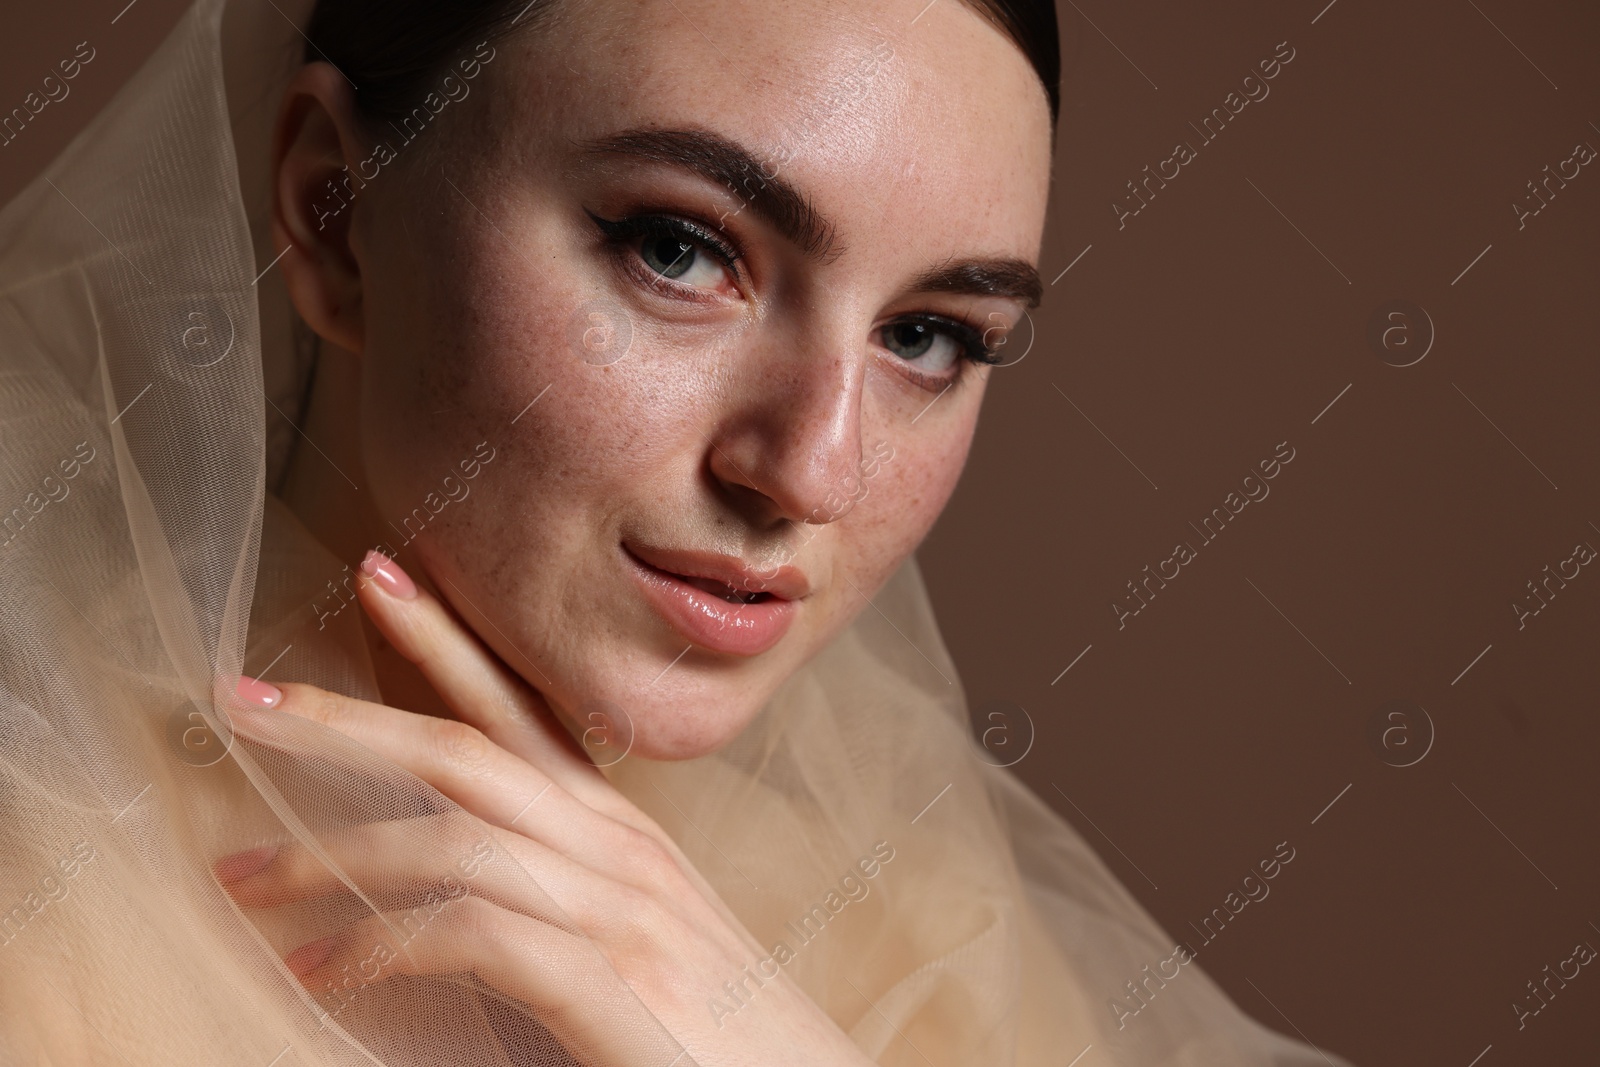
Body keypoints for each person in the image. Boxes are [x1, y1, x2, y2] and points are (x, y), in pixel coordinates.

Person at [0, 0, 1354, 1062]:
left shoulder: (897, 927)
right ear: (336, 218)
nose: (813, 472)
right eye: (682, 250)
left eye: (931, 336)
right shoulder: (37, 889)